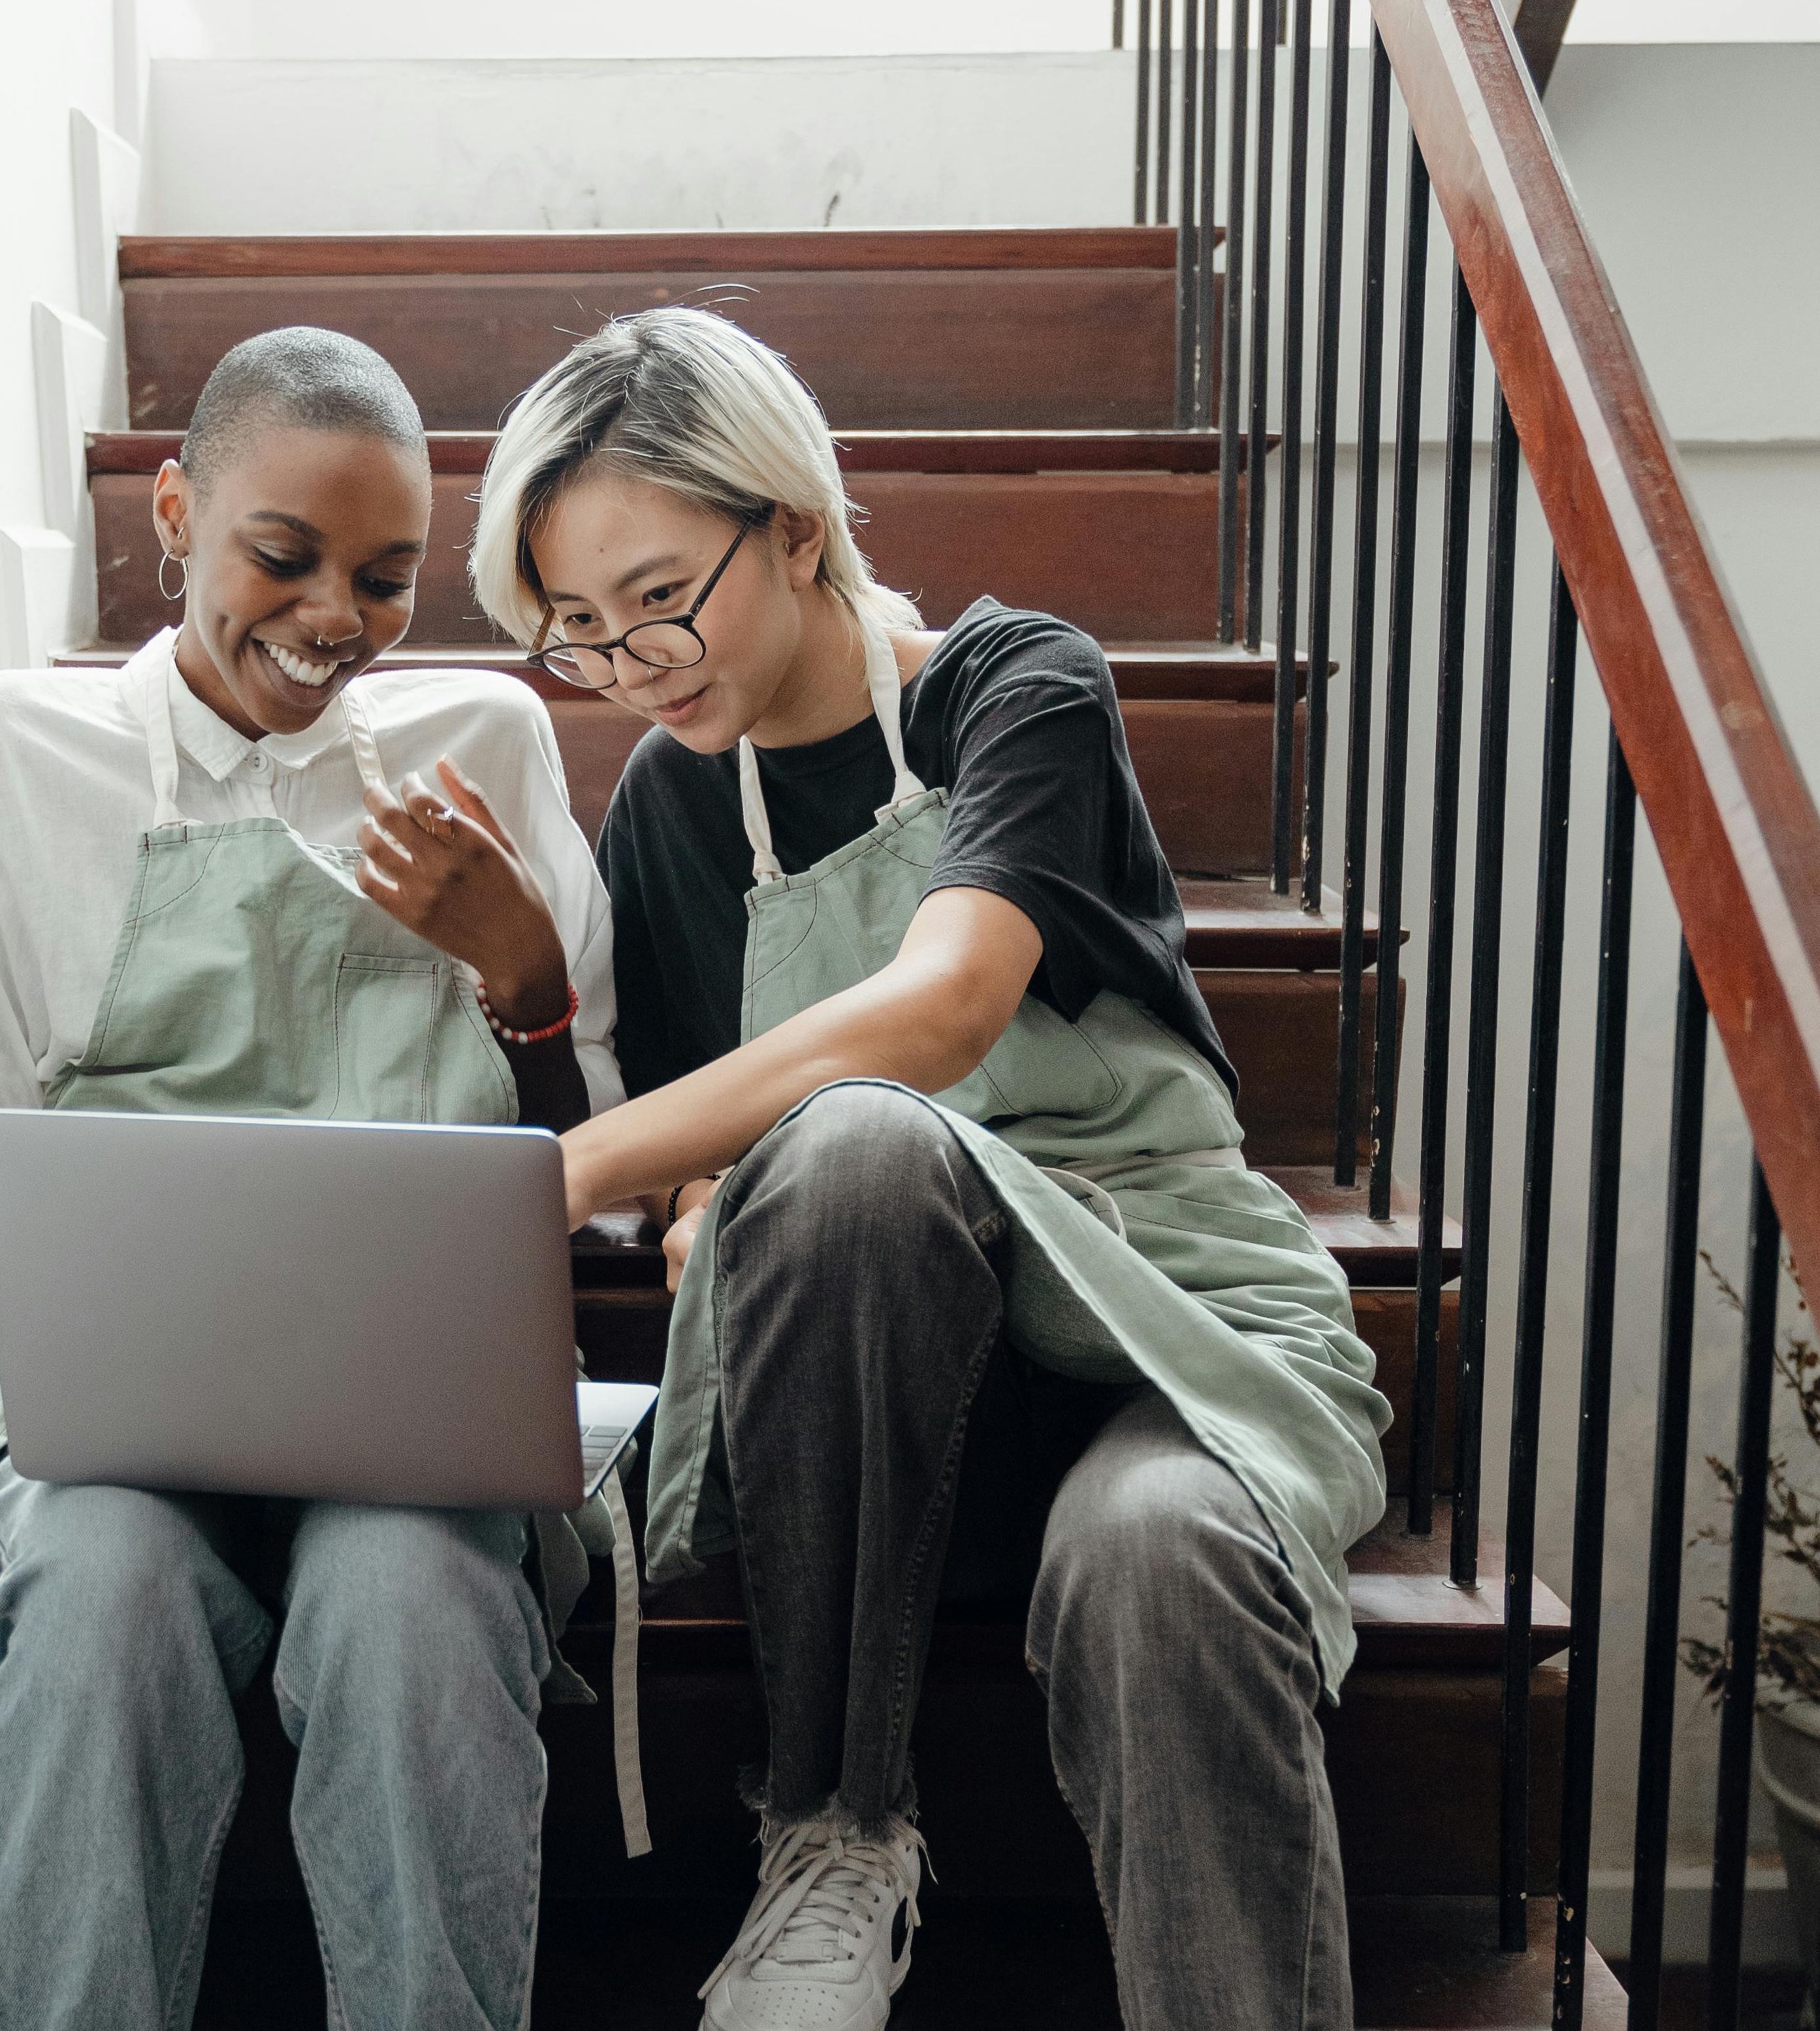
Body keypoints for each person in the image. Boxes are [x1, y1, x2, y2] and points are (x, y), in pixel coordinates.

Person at [467, 304, 1392, 2031]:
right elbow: (708, 1134)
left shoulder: (1010, 687)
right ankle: (831, 1833)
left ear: (795, 523)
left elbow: (946, 1005)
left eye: (658, 595)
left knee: (1160, 1557)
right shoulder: (674, 811)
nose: (633, 662)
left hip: (1160, 1333)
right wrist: (684, 1211)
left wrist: (560, 1171)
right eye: (575, 632)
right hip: (885, 1427)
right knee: (850, 1162)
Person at [0, 327, 624, 2031]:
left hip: (420, 1405)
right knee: (92, 1578)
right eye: (280, 559)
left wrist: (524, 973)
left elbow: (587, 1149)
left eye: (382, 579)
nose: (332, 623)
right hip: (118, 1399)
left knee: (410, 1595)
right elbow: (12, 1156)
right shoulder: (9, 755)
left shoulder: (483, 740)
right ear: (167, 513)